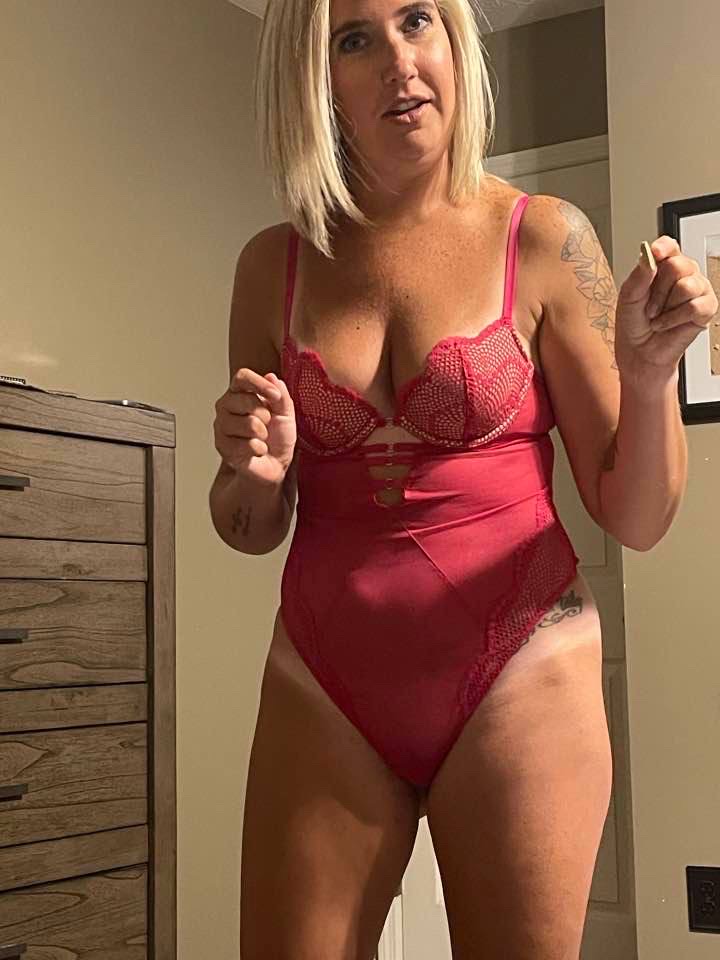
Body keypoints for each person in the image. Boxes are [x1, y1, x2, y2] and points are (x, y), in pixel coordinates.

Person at [209, 0, 718, 957]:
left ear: (452, 38)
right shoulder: (270, 265)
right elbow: (247, 524)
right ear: (316, 81)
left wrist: (650, 377)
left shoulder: (546, 237)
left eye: (417, 21)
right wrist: (255, 473)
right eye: (354, 39)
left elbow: (637, 517)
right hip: (323, 675)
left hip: (520, 665)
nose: (398, 60)